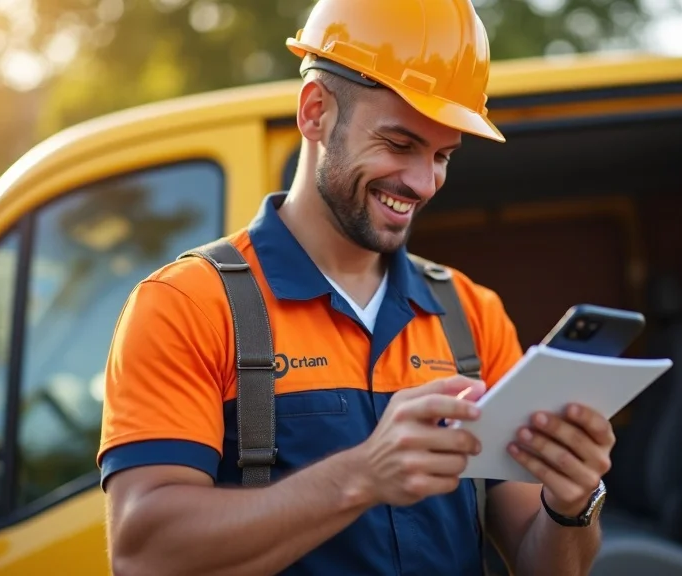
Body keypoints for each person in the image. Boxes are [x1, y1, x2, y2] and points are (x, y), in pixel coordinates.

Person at [97, 1, 615, 574]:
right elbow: (143, 554)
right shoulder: (188, 306)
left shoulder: (472, 314)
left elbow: (544, 565)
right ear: (315, 111)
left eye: (442, 155)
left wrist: (571, 503)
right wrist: (363, 475)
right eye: (399, 144)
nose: (423, 183)